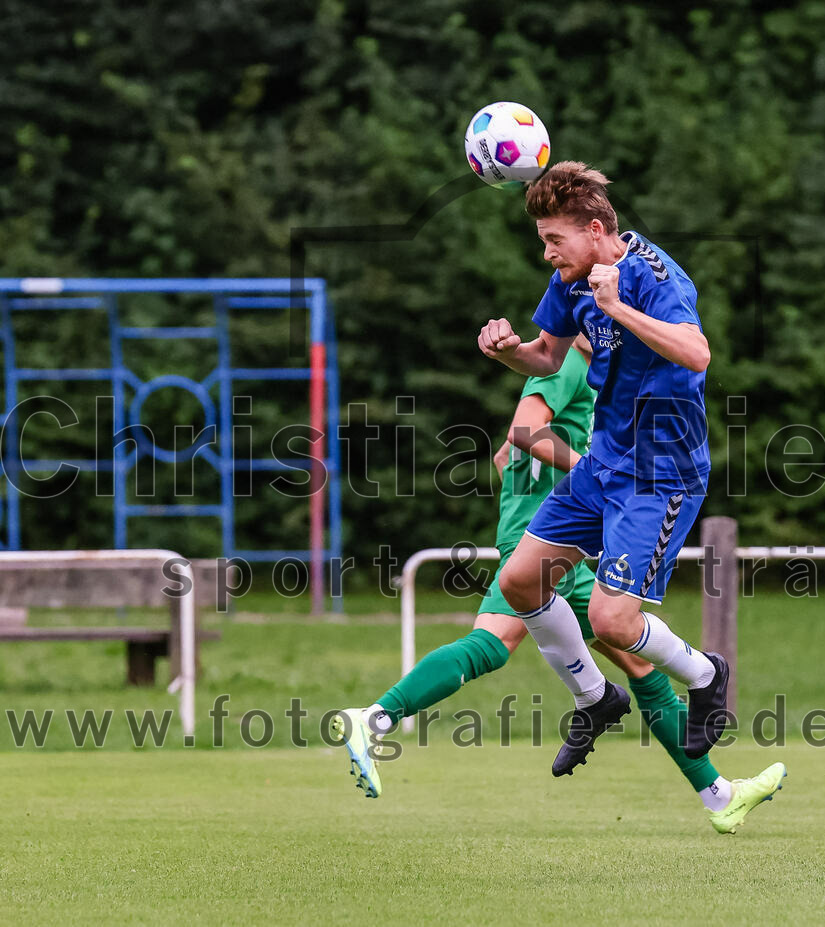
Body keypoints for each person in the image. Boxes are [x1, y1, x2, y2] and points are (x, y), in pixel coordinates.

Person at [333, 335, 785, 834]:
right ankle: (374, 718)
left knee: (625, 656)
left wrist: (539, 494)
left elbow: (506, 456)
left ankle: (714, 791)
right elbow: (524, 432)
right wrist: (594, 476)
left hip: (551, 537)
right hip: (546, 540)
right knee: (510, 643)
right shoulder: (567, 361)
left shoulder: (600, 376)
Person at [477, 161, 743, 778]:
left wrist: (618, 309)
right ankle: (595, 699)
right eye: (542, 240)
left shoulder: (654, 276)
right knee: (520, 582)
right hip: (604, 463)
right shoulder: (571, 280)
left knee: (612, 620)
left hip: (661, 472)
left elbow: (697, 353)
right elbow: (547, 356)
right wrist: (509, 350)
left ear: (596, 230)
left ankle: (707, 673)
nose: (546, 254)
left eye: (554, 240)